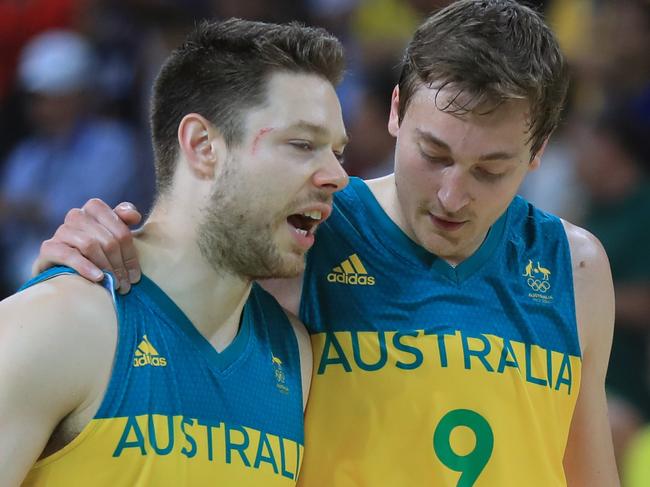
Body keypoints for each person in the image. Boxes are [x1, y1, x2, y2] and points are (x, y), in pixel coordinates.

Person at [32, 1, 620, 485]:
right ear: (395, 111)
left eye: (490, 170)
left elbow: (589, 474)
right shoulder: (311, 226)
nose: (451, 196)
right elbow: (177, 258)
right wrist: (82, 258)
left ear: (540, 151)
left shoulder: (576, 265)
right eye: (433, 154)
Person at [0, 19, 348, 486]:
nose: (336, 176)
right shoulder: (59, 322)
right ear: (203, 147)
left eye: (337, 153)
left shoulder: (294, 355)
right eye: (303, 144)